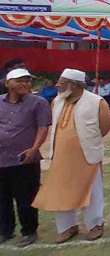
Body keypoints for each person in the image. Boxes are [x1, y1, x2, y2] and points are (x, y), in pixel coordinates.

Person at [32, 69, 110, 243]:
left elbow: (105, 127)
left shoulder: (97, 102)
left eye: (61, 83)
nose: (57, 86)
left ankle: (95, 225)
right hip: (61, 156)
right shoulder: (57, 102)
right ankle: (67, 227)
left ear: (73, 85)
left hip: (87, 155)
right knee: (61, 191)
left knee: (92, 191)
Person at [0, 68, 51, 248]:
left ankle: (29, 231)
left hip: (25, 159)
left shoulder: (39, 102)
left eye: (27, 80)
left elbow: (43, 127)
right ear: (7, 83)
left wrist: (34, 148)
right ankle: (5, 231)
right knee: (2, 198)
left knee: (26, 198)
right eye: (19, 80)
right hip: (1, 158)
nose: (24, 83)